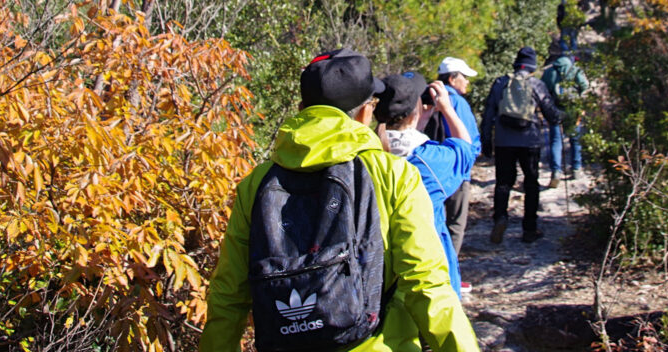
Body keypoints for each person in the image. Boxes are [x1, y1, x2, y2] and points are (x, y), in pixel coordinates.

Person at [200, 48, 479, 352]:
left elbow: (228, 295)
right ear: (365, 112)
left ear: (302, 107)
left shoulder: (256, 184)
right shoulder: (393, 175)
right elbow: (426, 284)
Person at [375, 72, 475, 299]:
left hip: (379, 272)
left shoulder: (365, 155)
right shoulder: (429, 161)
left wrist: (417, 121)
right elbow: (465, 151)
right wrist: (447, 109)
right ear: (414, 113)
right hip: (426, 271)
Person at [479, 46, 562, 245]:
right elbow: (551, 114)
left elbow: (489, 113)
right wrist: (563, 117)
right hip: (530, 141)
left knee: (503, 183)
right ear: (532, 67)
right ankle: (529, 229)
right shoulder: (536, 84)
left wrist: (486, 141)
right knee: (531, 184)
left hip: (503, 140)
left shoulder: (500, 83)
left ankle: (500, 219)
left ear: (516, 64)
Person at [433, 58, 481, 261]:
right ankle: (448, 273)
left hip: (431, 168)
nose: (467, 82)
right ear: (452, 79)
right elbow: (470, 142)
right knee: (455, 225)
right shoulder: (458, 102)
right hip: (456, 171)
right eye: (464, 77)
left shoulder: (428, 97)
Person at [540, 53, 590, 187]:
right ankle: (576, 168)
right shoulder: (575, 70)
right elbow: (585, 87)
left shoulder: (550, 71)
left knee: (556, 140)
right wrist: (581, 102)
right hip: (573, 109)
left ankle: (556, 172)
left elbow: (543, 91)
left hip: (555, 109)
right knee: (575, 138)